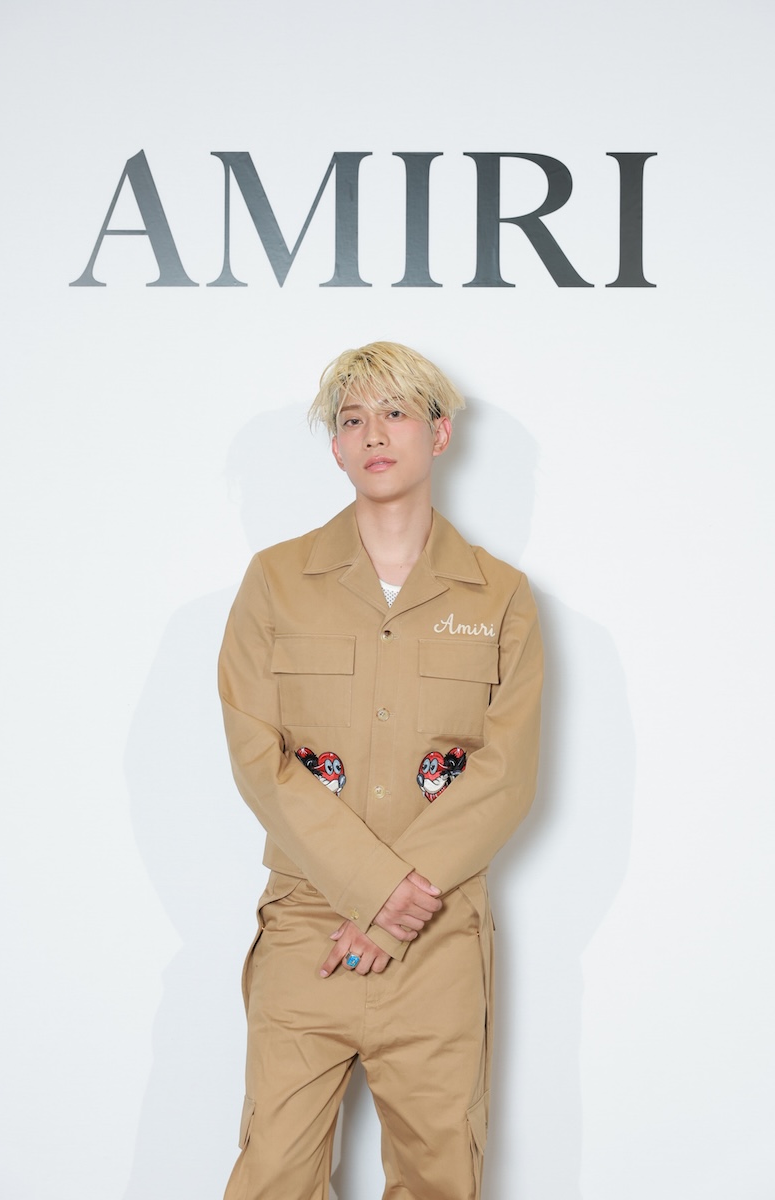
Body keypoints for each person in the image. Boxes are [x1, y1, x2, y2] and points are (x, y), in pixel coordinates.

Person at [218, 342, 543, 1200]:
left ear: (438, 435)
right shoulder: (275, 582)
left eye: (396, 413)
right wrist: (372, 894)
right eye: (353, 418)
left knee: (439, 1178)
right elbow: (257, 755)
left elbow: (507, 773)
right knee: (272, 1176)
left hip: (437, 942)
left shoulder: (500, 596)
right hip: (307, 935)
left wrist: (396, 912)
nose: (374, 434)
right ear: (335, 446)